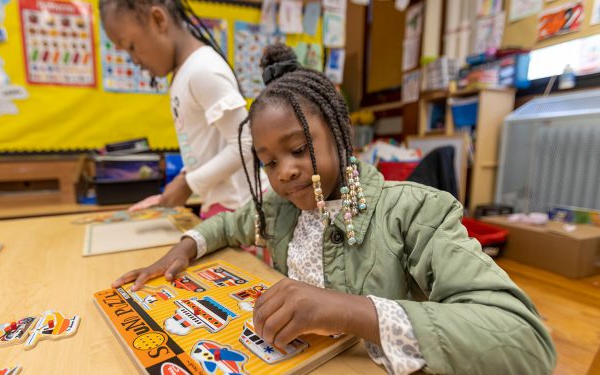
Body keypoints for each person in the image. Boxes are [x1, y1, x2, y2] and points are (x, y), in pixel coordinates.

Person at [113, 44, 556, 374]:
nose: (284, 172)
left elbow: (527, 342)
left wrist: (347, 310)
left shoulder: (413, 212)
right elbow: (231, 222)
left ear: (342, 135)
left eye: (299, 149)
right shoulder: (283, 207)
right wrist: (186, 246)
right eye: (269, 161)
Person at [100, 0, 256, 219]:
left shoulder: (203, 70)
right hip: (223, 207)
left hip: (241, 211)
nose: (134, 61)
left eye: (132, 47)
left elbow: (247, 142)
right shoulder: (185, 72)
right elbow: (208, 150)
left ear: (158, 20)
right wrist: (179, 184)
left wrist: (187, 183)